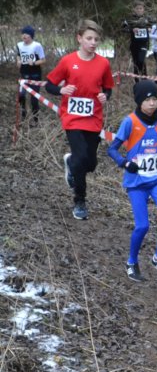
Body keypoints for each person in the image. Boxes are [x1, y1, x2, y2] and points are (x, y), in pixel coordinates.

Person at [107, 80, 157, 281]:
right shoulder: (130, 122)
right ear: (139, 101)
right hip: (136, 183)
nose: (152, 103)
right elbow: (112, 149)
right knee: (142, 226)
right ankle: (131, 262)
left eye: (155, 99)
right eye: (147, 100)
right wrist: (125, 163)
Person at [45, 19, 115, 221]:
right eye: (89, 38)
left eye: (96, 39)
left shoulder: (103, 63)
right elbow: (49, 84)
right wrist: (61, 90)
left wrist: (105, 96)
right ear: (79, 38)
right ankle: (80, 201)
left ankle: (70, 162)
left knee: (90, 163)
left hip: (93, 118)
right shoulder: (68, 61)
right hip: (72, 118)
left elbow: (108, 88)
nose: (93, 43)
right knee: (81, 157)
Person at [17, 25, 45, 124]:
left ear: (31, 36)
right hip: (23, 75)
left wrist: (33, 63)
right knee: (21, 95)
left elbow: (43, 60)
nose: (24, 36)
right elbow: (18, 55)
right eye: (23, 34)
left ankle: (35, 120)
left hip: (35, 76)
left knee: (34, 100)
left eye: (26, 34)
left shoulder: (37, 46)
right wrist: (18, 61)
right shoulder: (19, 45)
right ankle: (23, 114)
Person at [122, 1, 151, 80]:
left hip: (144, 43)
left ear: (143, 9)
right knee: (136, 62)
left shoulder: (148, 18)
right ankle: (137, 81)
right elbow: (123, 28)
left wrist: (150, 29)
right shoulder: (130, 19)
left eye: (141, 8)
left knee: (141, 60)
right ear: (134, 9)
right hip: (134, 44)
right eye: (137, 8)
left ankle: (144, 79)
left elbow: (156, 26)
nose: (139, 10)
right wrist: (132, 29)